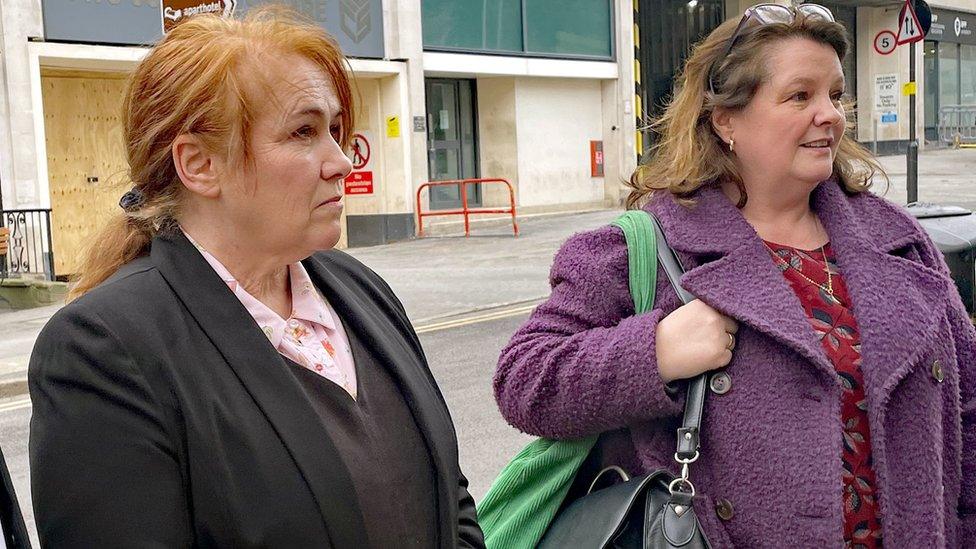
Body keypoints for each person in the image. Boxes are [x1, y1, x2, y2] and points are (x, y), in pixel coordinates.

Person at [495, 5, 975, 548]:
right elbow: (524, 381)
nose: (831, 115)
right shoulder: (644, 248)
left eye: (835, 95)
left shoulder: (900, 241)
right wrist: (653, 353)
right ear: (726, 120)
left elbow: (969, 410)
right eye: (800, 96)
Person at [28, 9, 483, 548]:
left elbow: (449, 503)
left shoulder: (361, 291)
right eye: (303, 131)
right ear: (199, 165)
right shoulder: (105, 350)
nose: (340, 161)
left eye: (334, 129)